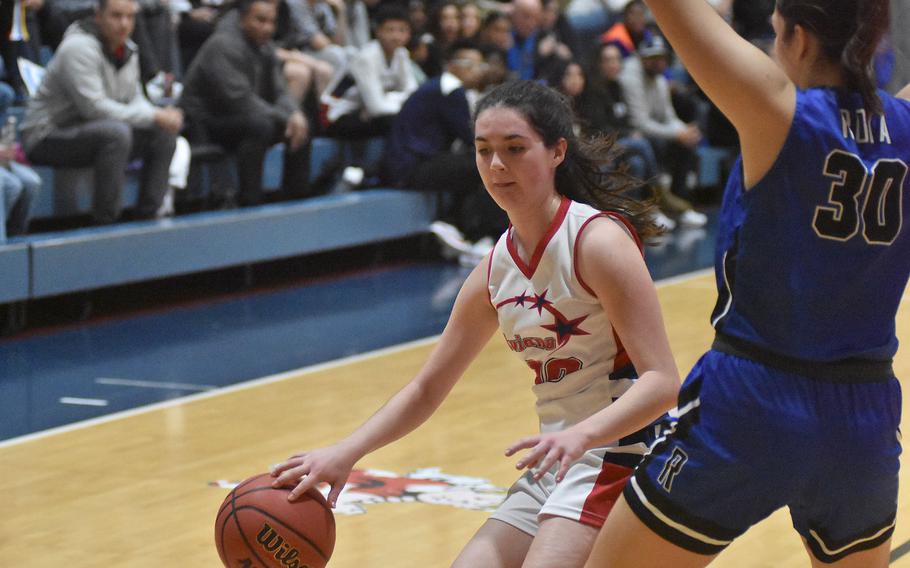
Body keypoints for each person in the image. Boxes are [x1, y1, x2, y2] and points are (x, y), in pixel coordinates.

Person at [272, 79, 680, 567]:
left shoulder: (598, 243)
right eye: (484, 151)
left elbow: (662, 381)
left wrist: (582, 436)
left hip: (622, 451)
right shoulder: (493, 271)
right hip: (558, 457)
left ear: (557, 152)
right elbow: (426, 389)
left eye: (514, 148)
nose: (496, 165)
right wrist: (345, 454)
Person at [586, 0, 910, 566]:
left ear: (801, 41)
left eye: (776, 34)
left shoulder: (780, 110)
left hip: (752, 399)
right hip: (864, 417)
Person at [21, 0, 183, 224]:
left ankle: (147, 218)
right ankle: (106, 222)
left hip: (90, 131)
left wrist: (161, 116)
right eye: (116, 16)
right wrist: (154, 115)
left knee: (163, 135)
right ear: (98, 16)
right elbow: (94, 108)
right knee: (116, 134)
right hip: (47, 135)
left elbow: (134, 99)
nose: (124, 24)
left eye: (129, 17)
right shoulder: (77, 48)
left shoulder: (128, 50)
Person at [379, 40, 503, 264]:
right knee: (488, 166)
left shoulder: (439, 86)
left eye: (480, 66)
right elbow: (470, 137)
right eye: (471, 65)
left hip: (411, 163)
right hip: (411, 167)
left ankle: (454, 226)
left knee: (474, 166)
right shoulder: (450, 90)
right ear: (454, 66)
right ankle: (478, 236)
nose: (478, 72)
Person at [179, 0, 311, 207]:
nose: (267, 27)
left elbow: (280, 90)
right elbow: (240, 100)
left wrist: (294, 114)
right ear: (243, 19)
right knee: (261, 126)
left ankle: (296, 201)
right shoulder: (222, 44)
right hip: (204, 123)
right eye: (260, 20)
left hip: (239, 117)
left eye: (271, 21)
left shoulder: (265, 46)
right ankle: (251, 202)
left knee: (301, 126)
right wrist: (285, 117)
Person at [619, 34, 707, 227]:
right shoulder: (630, 77)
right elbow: (639, 122)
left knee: (686, 145)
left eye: (661, 58)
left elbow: (668, 116)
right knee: (653, 144)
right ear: (643, 59)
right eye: (654, 59)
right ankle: (654, 205)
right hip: (630, 132)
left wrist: (685, 131)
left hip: (653, 130)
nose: (659, 63)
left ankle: (678, 203)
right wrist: (676, 134)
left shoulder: (658, 79)